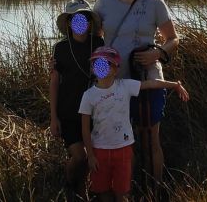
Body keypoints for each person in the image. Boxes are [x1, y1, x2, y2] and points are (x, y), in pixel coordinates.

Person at [93, 0, 179, 183]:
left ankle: (155, 187)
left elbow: (172, 38)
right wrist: (62, 54)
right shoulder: (104, 2)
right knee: (121, 137)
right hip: (113, 80)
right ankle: (126, 190)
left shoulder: (154, 3)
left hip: (148, 78)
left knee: (150, 136)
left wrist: (157, 53)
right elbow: (89, 34)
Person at [79, 46, 189, 202]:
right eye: (97, 63)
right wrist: (90, 155)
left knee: (123, 192)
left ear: (116, 69)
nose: (101, 66)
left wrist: (175, 85)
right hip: (99, 150)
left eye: (106, 63)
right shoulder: (88, 95)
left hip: (123, 149)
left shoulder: (125, 86)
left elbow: (152, 83)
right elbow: (84, 128)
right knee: (103, 192)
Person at [49, 0, 105, 200]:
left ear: (90, 23)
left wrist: (99, 69)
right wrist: (53, 117)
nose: (80, 22)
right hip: (68, 111)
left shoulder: (98, 44)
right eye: (75, 18)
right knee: (80, 157)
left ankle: (81, 193)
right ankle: (69, 182)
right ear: (68, 23)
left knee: (92, 157)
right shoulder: (60, 49)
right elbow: (54, 83)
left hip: (93, 112)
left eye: (84, 18)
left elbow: (104, 74)